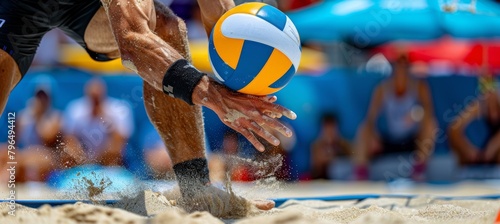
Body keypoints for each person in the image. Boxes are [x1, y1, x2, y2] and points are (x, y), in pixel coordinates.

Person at [0, 0, 295, 216]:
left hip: (83, 9)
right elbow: (132, 43)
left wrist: (241, 95)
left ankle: (196, 188)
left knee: (165, 26)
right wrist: (213, 95)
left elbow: (223, 24)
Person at [354, 53, 437, 181]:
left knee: (431, 125)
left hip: (411, 141)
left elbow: (428, 113)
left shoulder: (419, 86)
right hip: (390, 140)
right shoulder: (383, 89)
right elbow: (370, 119)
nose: (401, 69)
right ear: (393, 68)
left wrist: (416, 114)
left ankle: (419, 169)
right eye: (398, 65)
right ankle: (360, 173)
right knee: (363, 129)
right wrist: (373, 135)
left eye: (404, 66)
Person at [62, 78, 134, 166]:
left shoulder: (119, 108)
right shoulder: (75, 109)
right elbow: (69, 139)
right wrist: (80, 155)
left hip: (109, 159)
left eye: (97, 96)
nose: (95, 100)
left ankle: (110, 170)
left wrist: (103, 116)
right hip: (83, 159)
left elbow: (120, 139)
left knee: (114, 148)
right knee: (68, 150)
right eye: (92, 97)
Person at [448, 76, 500, 165]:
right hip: (478, 158)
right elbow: (453, 129)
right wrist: (468, 149)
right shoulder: (479, 104)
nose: (494, 116)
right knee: (458, 148)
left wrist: (493, 146)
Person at [310, 113, 350, 180]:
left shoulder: (343, 143)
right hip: (321, 180)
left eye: (332, 128)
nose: (330, 131)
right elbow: (316, 166)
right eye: (327, 128)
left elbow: (352, 158)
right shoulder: (316, 145)